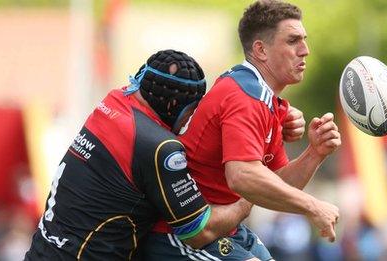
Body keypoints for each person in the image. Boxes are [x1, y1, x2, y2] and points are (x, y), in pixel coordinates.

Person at [24, 49, 305, 260]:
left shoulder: (114, 102)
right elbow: (200, 231)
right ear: (172, 104)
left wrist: (274, 120)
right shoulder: (159, 148)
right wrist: (251, 194)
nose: (192, 122)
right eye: (191, 112)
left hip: (42, 250)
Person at [146, 1, 341, 260]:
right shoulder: (245, 97)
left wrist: (315, 153)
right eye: (293, 41)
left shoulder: (266, 99)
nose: (305, 50)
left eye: (304, 40)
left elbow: (275, 185)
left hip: (225, 229)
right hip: (181, 234)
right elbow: (242, 176)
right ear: (260, 49)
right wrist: (313, 206)